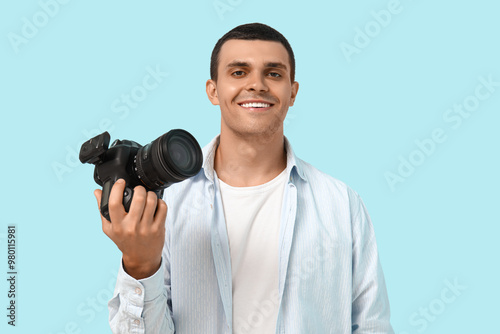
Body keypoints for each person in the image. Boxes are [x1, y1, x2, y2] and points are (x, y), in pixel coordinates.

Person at [94, 23, 395, 334]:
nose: (257, 85)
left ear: (292, 92)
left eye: (274, 74)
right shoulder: (167, 201)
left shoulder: (341, 204)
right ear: (213, 90)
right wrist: (141, 266)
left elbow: (373, 325)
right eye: (239, 72)